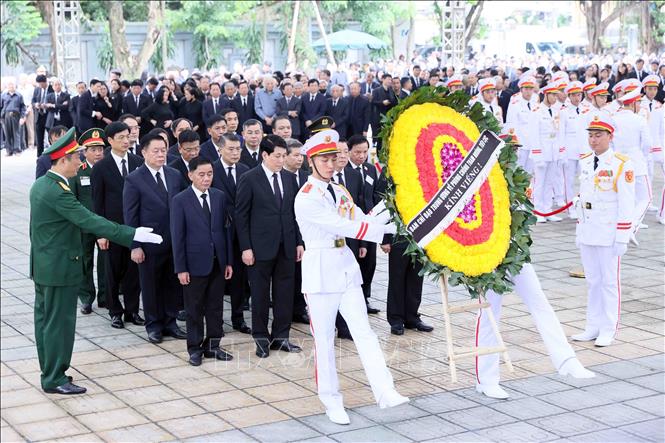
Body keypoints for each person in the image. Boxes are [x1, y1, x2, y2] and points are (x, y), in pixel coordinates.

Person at [30, 127, 162, 395]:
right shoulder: (58, 191)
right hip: (59, 269)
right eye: (77, 157)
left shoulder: (43, 184)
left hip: (46, 266)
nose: (82, 162)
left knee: (46, 322)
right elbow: (88, 219)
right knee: (59, 325)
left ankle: (51, 372)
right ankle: (55, 378)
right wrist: (131, 233)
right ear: (63, 160)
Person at [294, 128, 408, 425]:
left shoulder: (340, 190)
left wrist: (395, 210)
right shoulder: (306, 197)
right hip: (320, 270)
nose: (332, 164)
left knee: (365, 332)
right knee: (324, 339)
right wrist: (383, 228)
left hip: (344, 267)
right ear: (311, 161)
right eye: (325, 159)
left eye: (334, 158)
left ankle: (386, 391)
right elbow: (342, 226)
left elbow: (361, 218)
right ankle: (331, 400)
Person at [235, 134, 304, 358]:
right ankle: (261, 338)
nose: (282, 160)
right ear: (265, 155)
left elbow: (294, 214)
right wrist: (246, 247)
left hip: (286, 245)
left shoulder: (288, 178)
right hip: (259, 248)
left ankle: (281, 336)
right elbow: (241, 215)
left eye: (284, 156)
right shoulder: (249, 178)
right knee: (261, 295)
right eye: (277, 156)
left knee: (285, 294)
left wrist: (299, 242)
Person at [572, 115, 635, 347]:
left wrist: (622, 236)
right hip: (589, 230)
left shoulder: (621, 163)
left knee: (609, 283)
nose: (593, 140)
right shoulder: (586, 160)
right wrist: (579, 231)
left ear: (610, 137)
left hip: (609, 233)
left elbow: (627, 202)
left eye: (598, 135)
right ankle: (592, 326)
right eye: (590, 135)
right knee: (593, 281)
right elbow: (584, 198)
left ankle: (608, 328)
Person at [123, 132, 188, 344]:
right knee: (150, 285)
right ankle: (154, 325)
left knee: (172, 284)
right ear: (144, 152)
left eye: (163, 150)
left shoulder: (174, 175)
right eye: (156, 151)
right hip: (149, 243)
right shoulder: (134, 179)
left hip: (174, 241)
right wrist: (135, 245)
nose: (161, 155)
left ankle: (170, 322)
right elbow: (130, 215)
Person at [171, 156, 234, 366]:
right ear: (190, 175)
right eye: (202, 174)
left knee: (215, 307)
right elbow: (177, 236)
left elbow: (225, 231)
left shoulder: (218, 196)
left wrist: (228, 262)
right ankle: (194, 348)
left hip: (218, 262)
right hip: (194, 264)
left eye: (210, 174)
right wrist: (181, 268)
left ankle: (213, 345)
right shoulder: (180, 200)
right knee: (194, 308)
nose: (206, 179)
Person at [91, 121, 144, 329]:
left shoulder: (138, 162)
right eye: (120, 137)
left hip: (134, 228)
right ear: (110, 141)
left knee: (134, 271)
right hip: (111, 228)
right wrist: (101, 232)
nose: (125, 140)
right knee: (112, 271)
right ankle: (115, 311)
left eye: (127, 136)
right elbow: (97, 201)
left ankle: (132, 310)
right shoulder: (101, 167)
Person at [211, 133, 252, 334]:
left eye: (238, 149)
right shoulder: (211, 170)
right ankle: (214, 321)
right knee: (217, 279)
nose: (235, 153)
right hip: (218, 232)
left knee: (239, 279)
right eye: (231, 149)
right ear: (220, 149)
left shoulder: (246, 170)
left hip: (240, 234)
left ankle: (238, 318)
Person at [69, 128, 107, 314]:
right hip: (84, 227)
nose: (98, 153)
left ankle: (105, 297)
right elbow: (73, 200)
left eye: (100, 148)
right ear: (85, 152)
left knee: (105, 263)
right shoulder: (78, 172)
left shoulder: (108, 170)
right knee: (85, 262)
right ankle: (86, 298)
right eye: (94, 149)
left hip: (104, 225)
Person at [346, 134, 382, 314]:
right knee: (354, 262)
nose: (361, 156)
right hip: (353, 223)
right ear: (349, 151)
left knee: (370, 262)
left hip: (370, 221)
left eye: (365, 152)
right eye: (357, 152)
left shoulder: (369, 169)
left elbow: (374, 195)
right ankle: (353, 298)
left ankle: (365, 297)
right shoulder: (344, 171)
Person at [381, 231, 433, 335]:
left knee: (416, 280)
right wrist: (384, 239)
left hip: (419, 239)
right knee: (397, 280)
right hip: (398, 238)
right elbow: (386, 215)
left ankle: (412, 317)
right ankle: (396, 319)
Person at [527, 81, 563, 223]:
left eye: (556, 95)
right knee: (539, 182)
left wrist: (560, 152)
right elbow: (534, 134)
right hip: (542, 151)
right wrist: (537, 155)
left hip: (553, 151)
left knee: (550, 182)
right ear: (546, 95)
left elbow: (558, 132)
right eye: (553, 95)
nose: (555, 98)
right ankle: (537, 210)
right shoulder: (536, 110)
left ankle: (547, 210)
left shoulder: (555, 111)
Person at [283, 138, 309, 324]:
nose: (300, 159)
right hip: (288, 232)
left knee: (303, 274)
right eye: (296, 155)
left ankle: (300, 309)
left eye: (302, 155)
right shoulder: (281, 177)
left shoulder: (308, 176)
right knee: (288, 275)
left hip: (307, 233)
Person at [558, 81, 588, 217]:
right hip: (569, 151)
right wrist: (562, 152)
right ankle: (570, 208)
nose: (577, 98)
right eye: (574, 95)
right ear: (569, 96)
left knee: (584, 180)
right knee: (568, 181)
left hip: (583, 150)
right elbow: (561, 133)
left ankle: (583, 205)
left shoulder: (586, 109)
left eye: (579, 94)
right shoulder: (564, 111)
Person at [505, 75, 537, 173]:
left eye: (531, 89)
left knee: (530, 173)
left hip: (533, 143)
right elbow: (511, 123)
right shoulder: (515, 102)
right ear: (521, 89)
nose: (528, 91)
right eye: (526, 89)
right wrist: (513, 144)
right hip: (520, 143)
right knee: (518, 171)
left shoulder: (535, 100)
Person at [1, 79, 27, 156]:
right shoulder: (3, 96)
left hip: (16, 116)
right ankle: (9, 150)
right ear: (7, 86)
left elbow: (23, 107)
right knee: (7, 133)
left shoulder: (19, 95)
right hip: (6, 116)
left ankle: (17, 150)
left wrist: (23, 117)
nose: (11, 86)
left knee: (16, 133)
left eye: (12, 84)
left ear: (15, 86)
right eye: (9, 85)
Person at [31, 75, 50, 155]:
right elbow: (33, 101)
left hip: (49, 115)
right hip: (39, 116)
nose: (40, 85)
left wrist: (46, 105)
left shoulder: (51, 89)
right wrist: (36, 104)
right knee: (39, 138)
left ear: (45, 82)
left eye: (41, 84)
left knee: (51, 136)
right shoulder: (37, 89)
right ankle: (39, 156)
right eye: (39, 84)